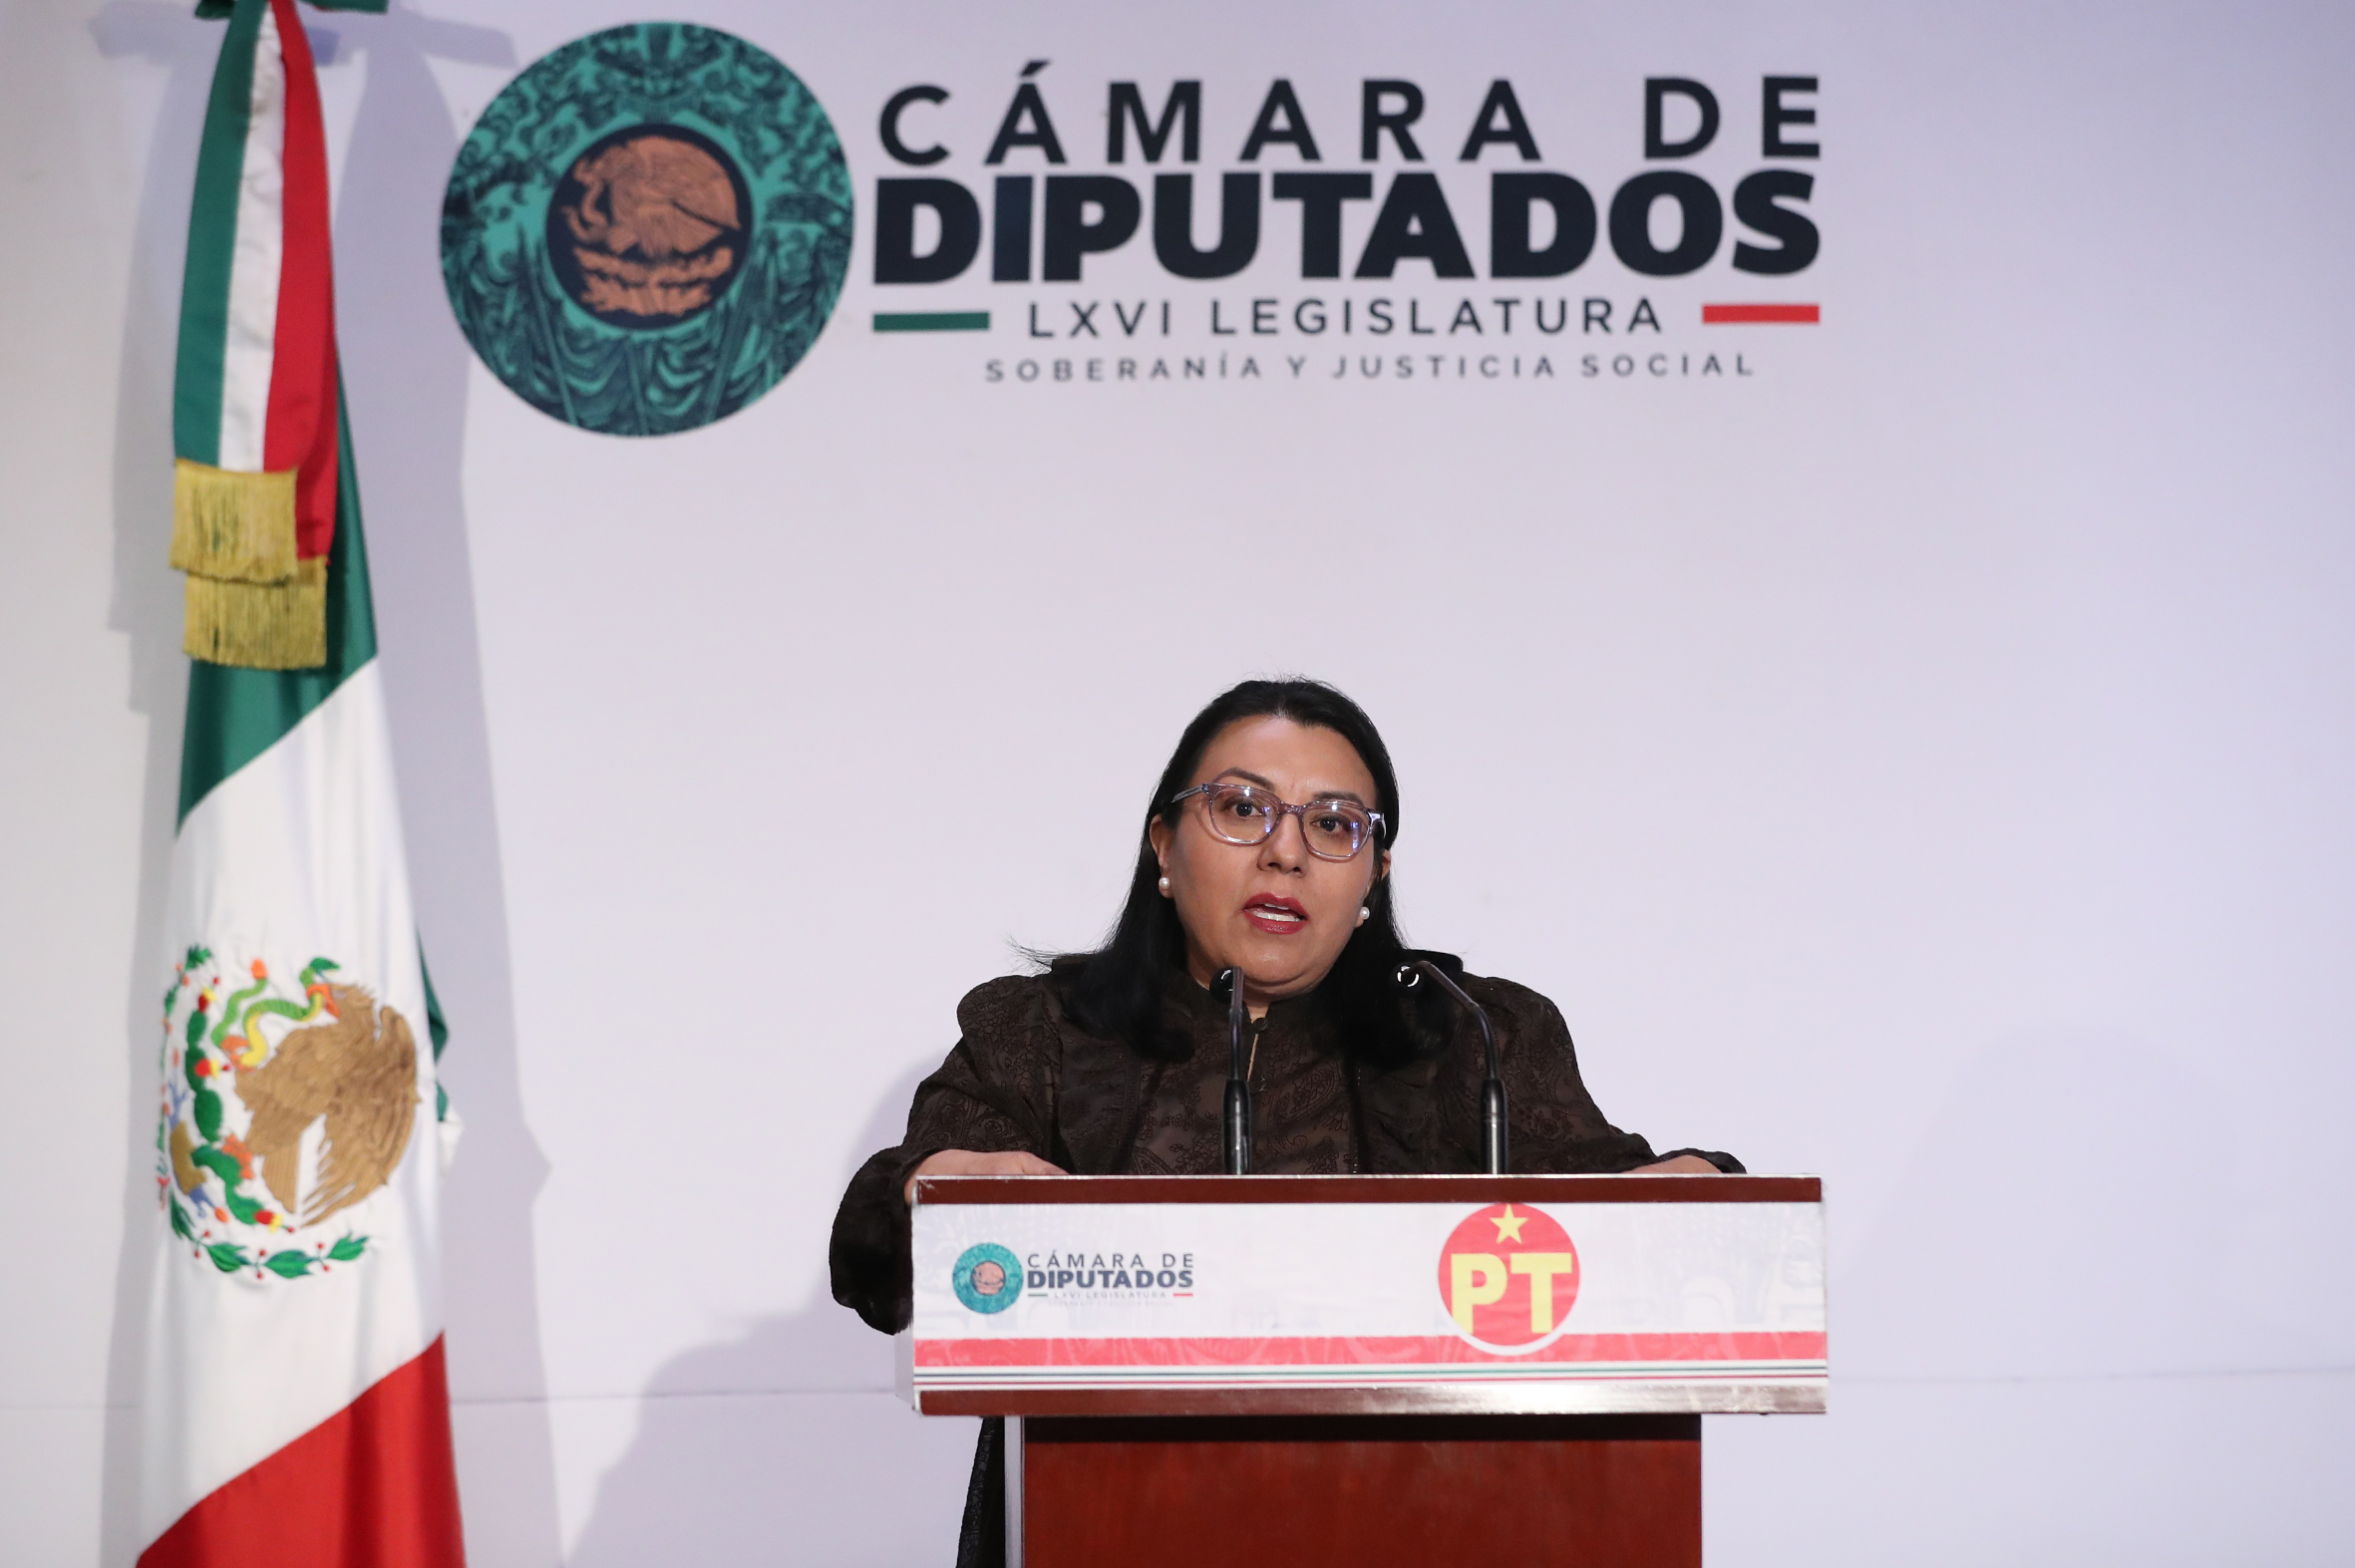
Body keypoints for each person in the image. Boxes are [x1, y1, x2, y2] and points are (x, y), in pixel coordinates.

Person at [829, 677, 1739, 1567]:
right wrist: (930, 1189)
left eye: (1334, 825)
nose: (1286, 854)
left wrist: (1693, 1196)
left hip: (1434, 1526)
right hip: (1104, 1525)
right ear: (1162, 843)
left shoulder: (1473, 1038)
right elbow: (876, 1254)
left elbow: (1618, 1196)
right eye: (1242, 809)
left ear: (1376, 873)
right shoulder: (1044, 1032)